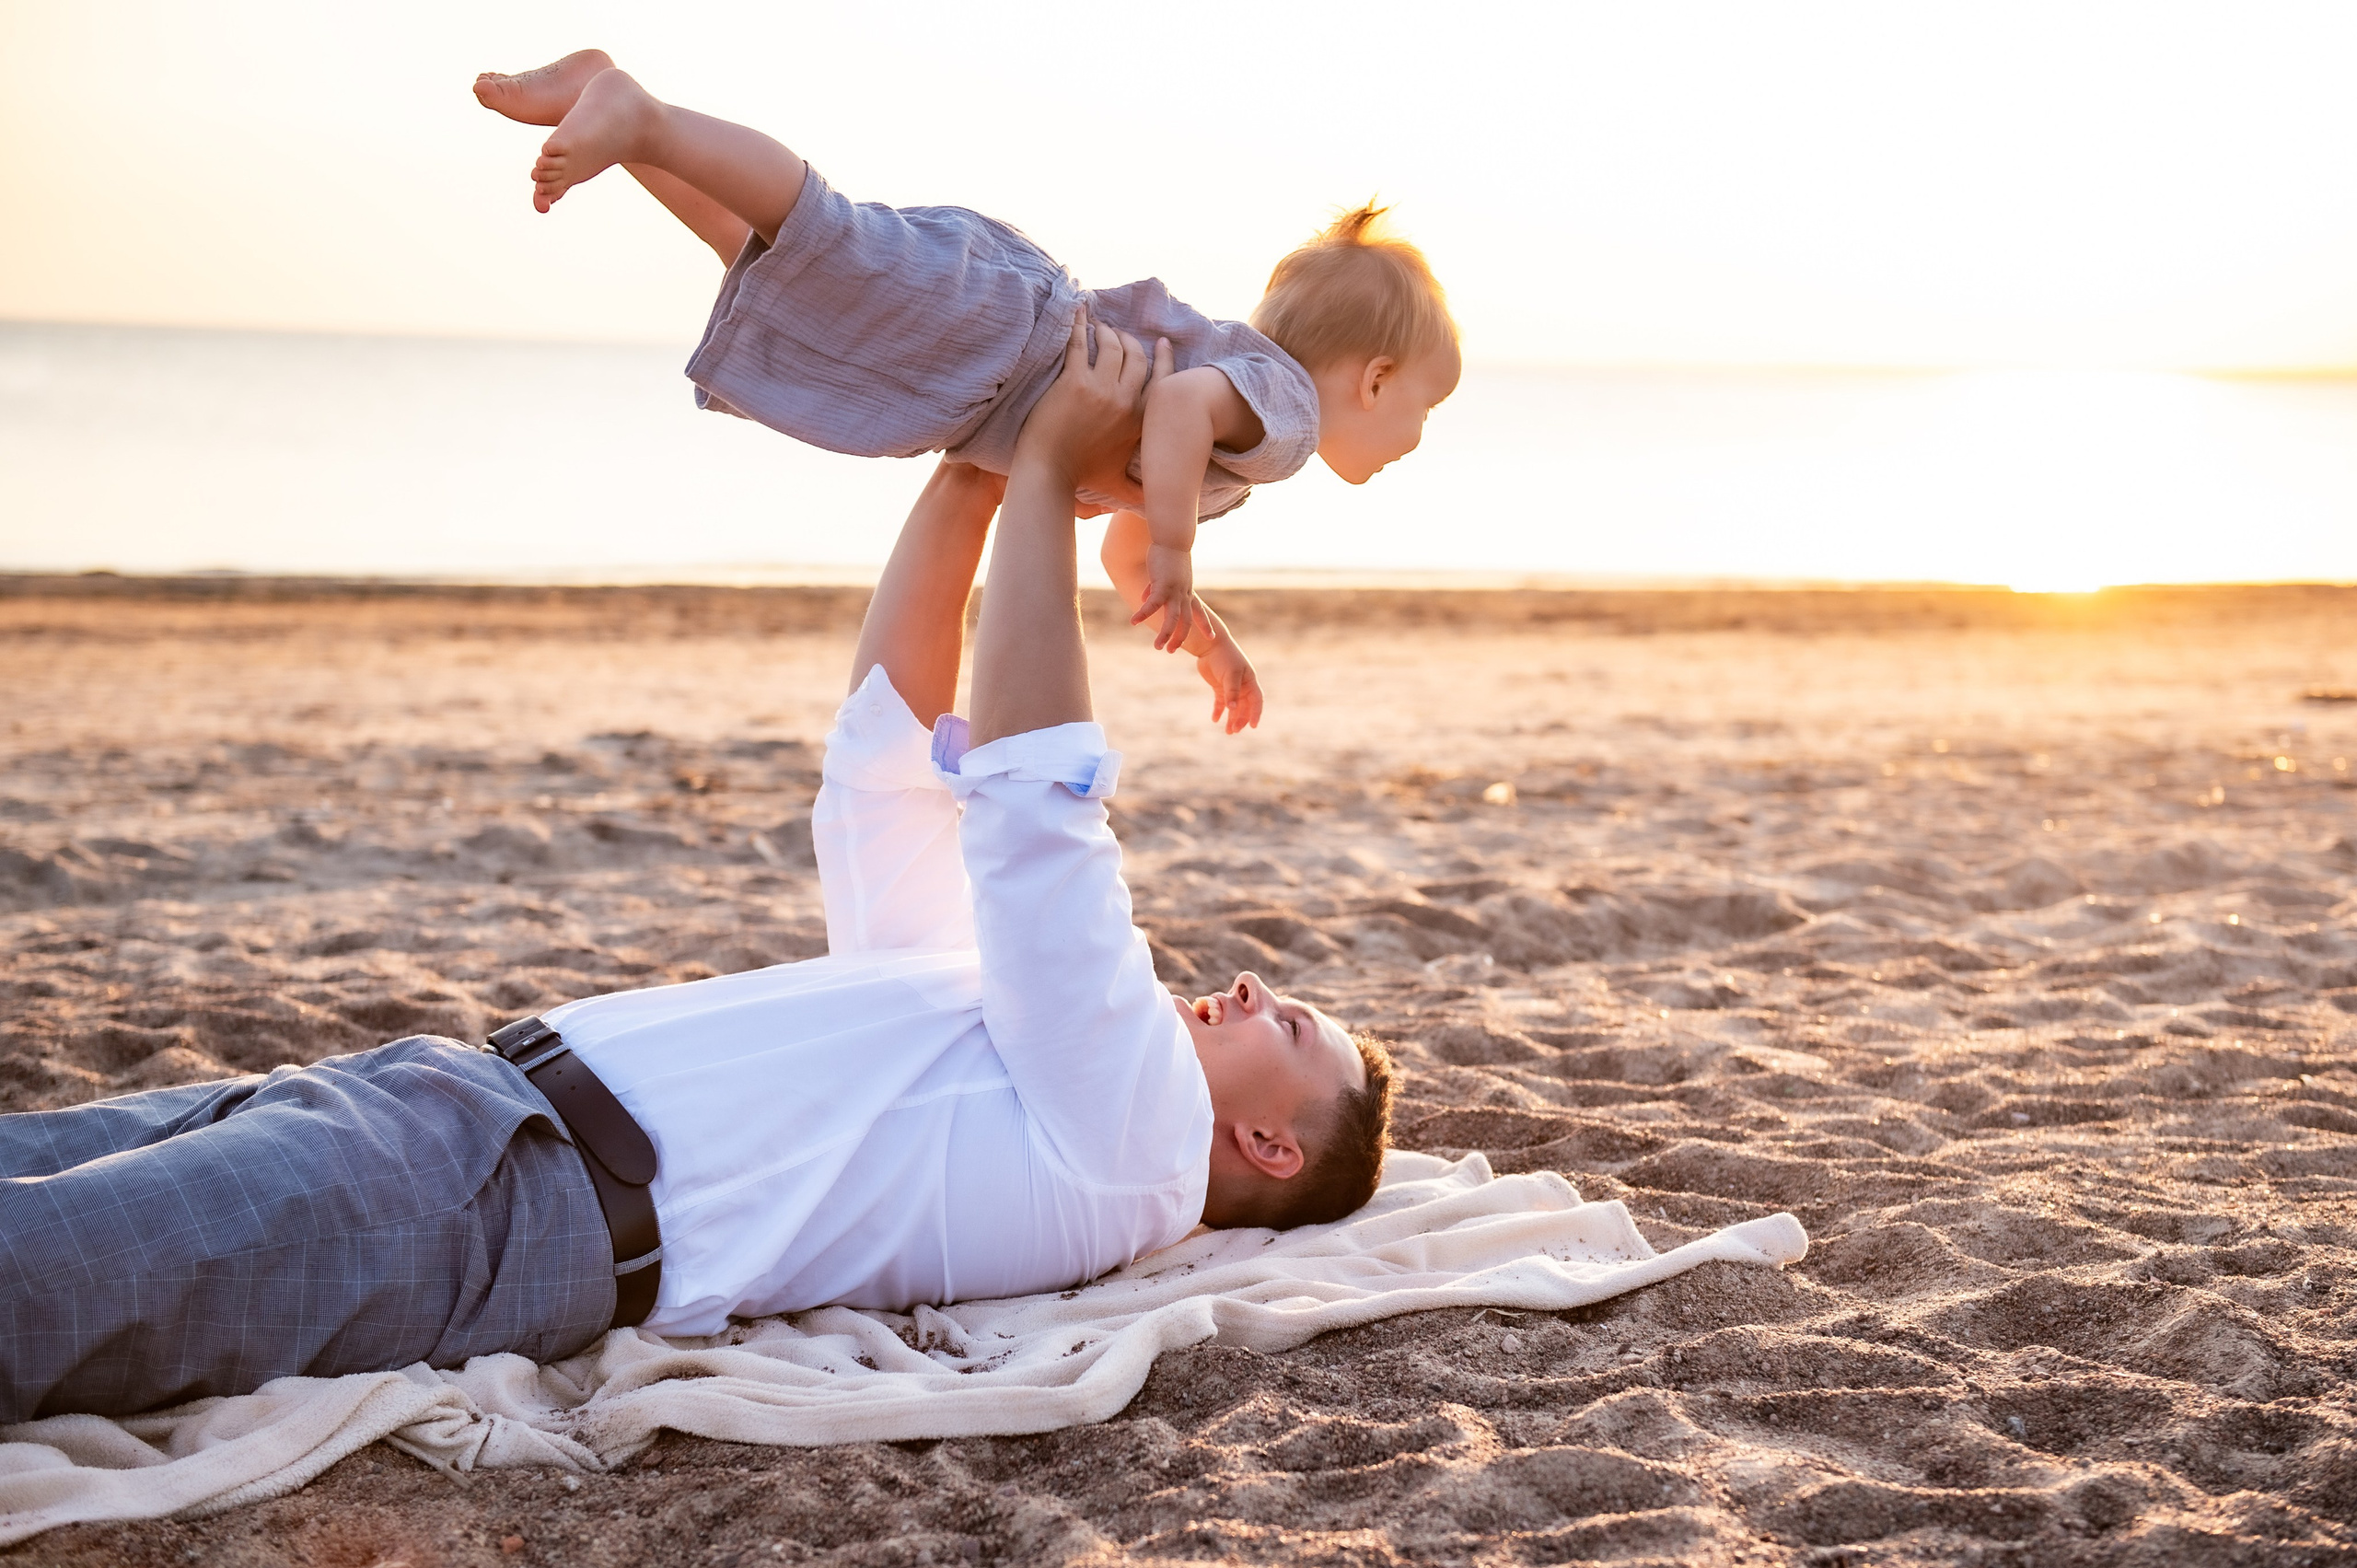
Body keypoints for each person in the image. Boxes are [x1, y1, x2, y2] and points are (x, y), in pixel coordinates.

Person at [0, 315, 1395, 1424]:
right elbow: (887, 767)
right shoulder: (1012, 1037)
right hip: (449, 1095)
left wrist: (1044, 474)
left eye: (1293, 1025)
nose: (1255, 982)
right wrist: (975, 460)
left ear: (1269, 1146)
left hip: (496, 1208)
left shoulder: (1138, 1143)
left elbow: (1041, 803)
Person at [473, 50, 1463, 735]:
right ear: (1373, 380)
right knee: (826, 232)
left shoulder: (1241, 449)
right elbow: (1173, 411)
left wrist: (1202, 632)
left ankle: (623, 121)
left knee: (783, 264)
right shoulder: (1281, 417)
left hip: (989, 356)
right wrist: (1178, 549)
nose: (1420, 436)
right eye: (1426, 406)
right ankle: (640, 112)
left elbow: (1124, 546)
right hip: (1009, 332)